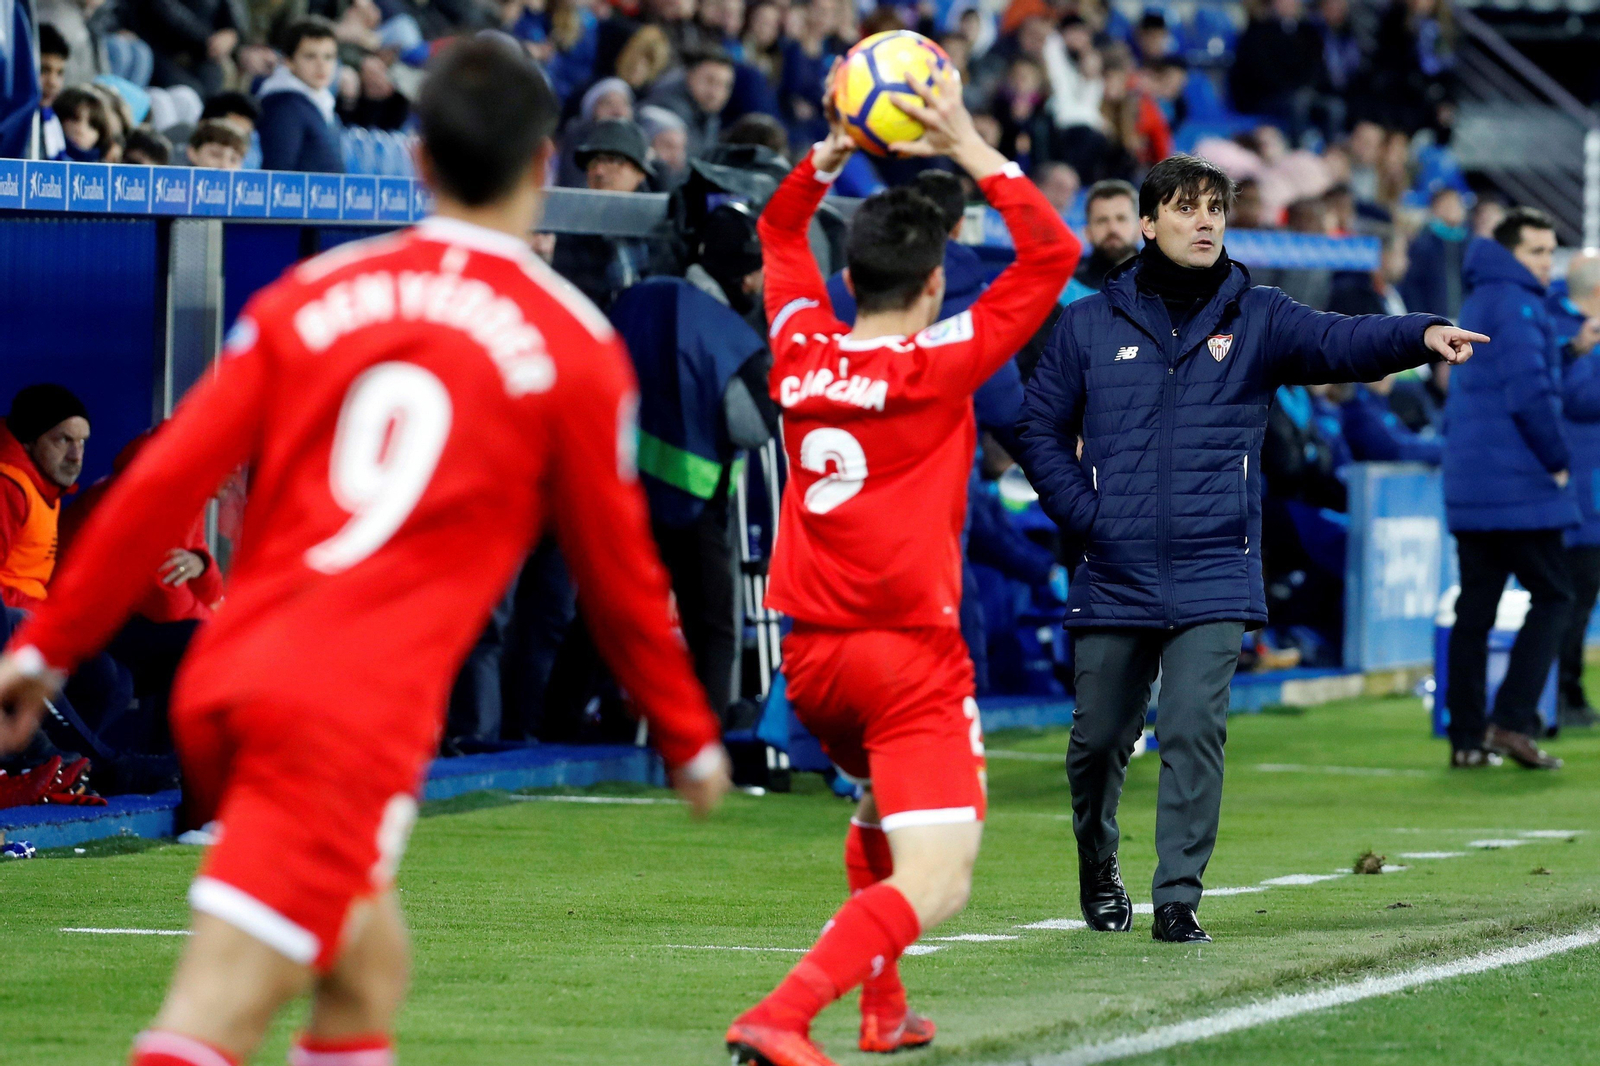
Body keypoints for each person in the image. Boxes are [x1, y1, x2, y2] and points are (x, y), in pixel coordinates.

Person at [0, 37, 729, 1066]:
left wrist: (46, 646)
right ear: (543, 165)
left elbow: (158, 483)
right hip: (348, 708)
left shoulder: (314, 295)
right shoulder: (572, 344)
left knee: (364, 974)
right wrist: (688, 730)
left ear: (418, 162)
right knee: (214, 1009)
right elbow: (618, 569)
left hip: (235, 668)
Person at [1015, 153, 1481, 944]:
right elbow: (1039, 429)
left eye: (1215, 209)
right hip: (1114, 566)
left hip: (1215, 565)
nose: (1204, 222)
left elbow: (1341, 340)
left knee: (1193, 727)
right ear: (1148, 223)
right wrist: (1086, 516)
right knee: (1097, 742)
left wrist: (1420, 333)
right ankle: (1098, 860)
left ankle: (1177, 898)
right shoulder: (1087, 322)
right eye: (1185, 208)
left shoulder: (1258, 314)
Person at [726, 66, 1078, 1066]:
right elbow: (1052, 253)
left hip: (811, 664)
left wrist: (822, 158)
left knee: (881, 811)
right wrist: (966, 142)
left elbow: (778, 235)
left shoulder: (800, 348)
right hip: (907, 656)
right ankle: (782, 1014)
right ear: (932, 285)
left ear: (847, 282)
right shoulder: (941, 360)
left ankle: (883, 1009)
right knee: (939, 877)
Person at [1443, 208, 1580, 771]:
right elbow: (1529, 394)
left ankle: (1466, 738)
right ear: (1510, 253)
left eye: (1550, 251)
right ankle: (1512, 721)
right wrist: (1558, 460)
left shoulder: (1481, 298)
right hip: (1518, 486)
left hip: (1472, 484)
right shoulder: (1520, 304)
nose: (1547, 263)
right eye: (1536, 252)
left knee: (1475, 611)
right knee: (1555, 596)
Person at [1549, 251, 1600, 730]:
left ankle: (1566, 691)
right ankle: (1562, 694)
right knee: (1572, 597)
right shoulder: (1567, 332)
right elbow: (1580, 398)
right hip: (1577, 494)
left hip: (1584, 490)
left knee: (1577, 598)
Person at [0, 385, 89, 612]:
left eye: (82, 442)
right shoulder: (8, 487)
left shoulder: (46, 485)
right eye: (64, 440)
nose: (76, 456)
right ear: (29, 440)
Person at [257, 17, 343, 173]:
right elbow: (278, 172)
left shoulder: (322, 101)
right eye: (310, 56)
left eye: (328, 57)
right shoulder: (283, 106)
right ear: (288, 61)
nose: (321, 65)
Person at [645, 46, 736, 159]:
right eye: (709, 81)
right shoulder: (666, 108)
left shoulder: (708, 114)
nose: (715, 93)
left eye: (725, 85)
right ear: (690, 75)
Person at [1400, 187, 1469, 321]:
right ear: (1434, 209)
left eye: (1456, 204)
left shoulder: (1468, 242)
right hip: (1432, 319)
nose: (1453, 209)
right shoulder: (1423, 243)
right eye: (1447, 205)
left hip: (1463, 318)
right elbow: (1413, 286)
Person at [1070, 178, 1138, 294]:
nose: (1113, 228)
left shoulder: (1163, 281)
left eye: (1121, 219)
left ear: (1140, 227)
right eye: (1102, 221)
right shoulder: (1070, 287)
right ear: (1087, 231)